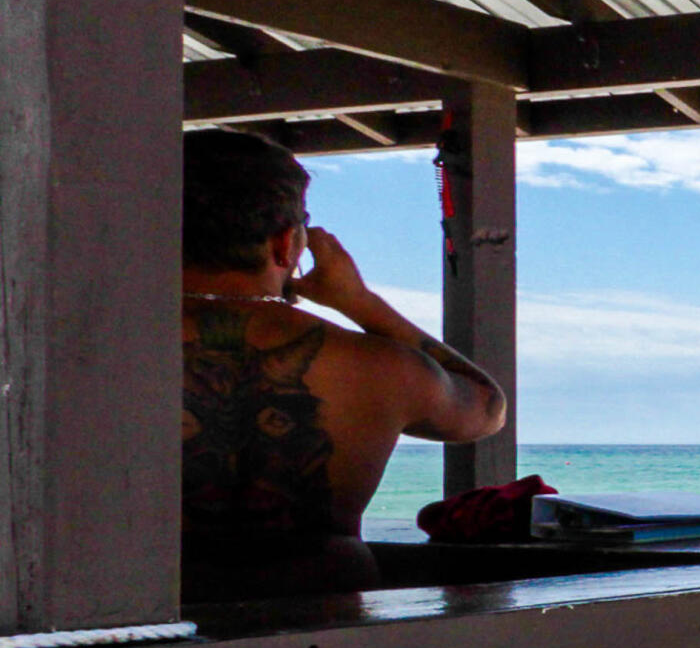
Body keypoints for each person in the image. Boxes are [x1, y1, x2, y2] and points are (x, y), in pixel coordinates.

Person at [181, 129, 508, 601]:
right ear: (287, 243)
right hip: (325, 626)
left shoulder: (93, 350)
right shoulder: (379, 366)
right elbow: (485, 406)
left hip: (140, 625)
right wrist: (359, 301)